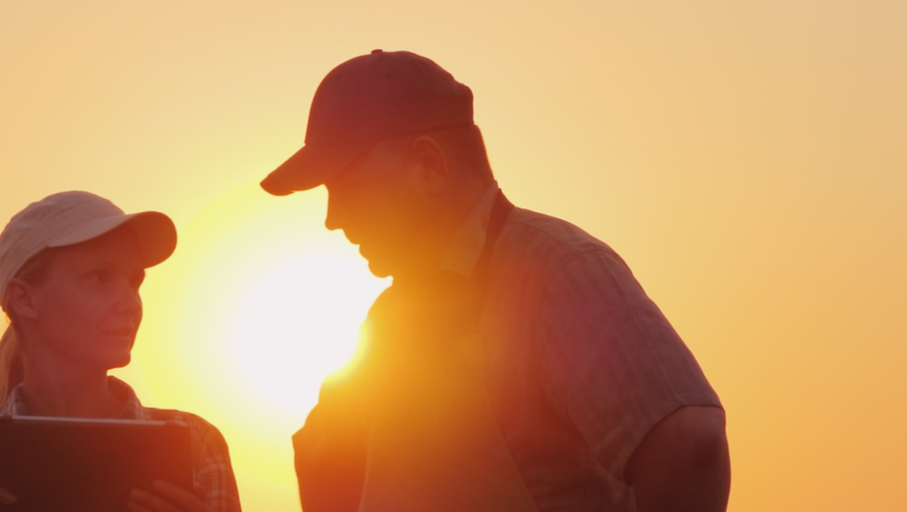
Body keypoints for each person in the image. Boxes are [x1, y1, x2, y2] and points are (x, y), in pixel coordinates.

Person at [262, 50, 729, 512]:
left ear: (428, 164)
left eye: (345, 186)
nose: (332, 218)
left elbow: (689, 449)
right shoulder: (388, 319)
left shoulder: (557, 274)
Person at [0, 191, 243, 512]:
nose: (130, 303)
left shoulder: (194, 446)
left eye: (134, 281)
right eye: (99, 277)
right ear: (24, 299)